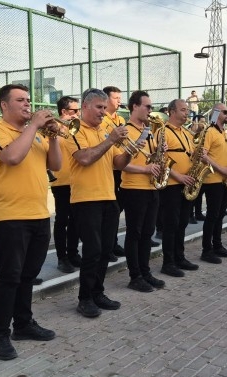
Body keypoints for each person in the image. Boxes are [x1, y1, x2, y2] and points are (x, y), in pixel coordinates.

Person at [0, 84, 62, 360]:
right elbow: (12, 157)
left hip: (39, 214)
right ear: (4, 105)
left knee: (28, 276)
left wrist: (54, 136)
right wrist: (35, 125)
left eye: (28, 100)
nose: (28, 105)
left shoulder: (36, 135)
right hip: (9, 217)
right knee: (9, 277)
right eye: (20, 101)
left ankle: (24, 324)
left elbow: (57, 164)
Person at [65, 88, 132, 318]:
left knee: (105, 250)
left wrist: (132, 150)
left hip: (108, 197)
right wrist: (111, 139)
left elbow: (118, 163)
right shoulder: (73, 130)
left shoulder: (105, 130)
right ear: (84, 107)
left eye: (105, 108)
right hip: (86, 199)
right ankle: (84, 299)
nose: (103, 112)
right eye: (99, 107)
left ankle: (98, 292)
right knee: (92, 250)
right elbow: (84, 158)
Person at [120, 90, 165, 292]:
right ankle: (135, 275)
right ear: (134, 107)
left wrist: (160, 151)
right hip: (133, 189)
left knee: (148, 233)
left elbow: (151, 158)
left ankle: (145, 272)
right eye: (147, 106)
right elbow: (121, 163)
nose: (150, 110)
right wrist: (145, 169)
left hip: (151, 187)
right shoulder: (125, 131)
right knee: (135, 233)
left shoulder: (148, 130)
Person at [158, 98, 199, 277]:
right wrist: (179, 176)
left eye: (187, 110)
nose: (187, 112)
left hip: (187, 183)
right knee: (171, 224)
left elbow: (189, 155)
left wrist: (200, 154)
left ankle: (179, 257)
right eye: (183, 110)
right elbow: (161, 159)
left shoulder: (187, 133)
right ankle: (168, 263)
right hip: (172, 185)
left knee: (182, 223)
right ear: (171, 111)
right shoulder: (162, 131)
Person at [199, 102, 227, 264]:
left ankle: (217, 245)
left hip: (224, 179)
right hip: (213, 179)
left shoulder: (224, 132)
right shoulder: (209, 131)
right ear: (216, 113)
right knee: (212, 216)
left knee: (220, 215)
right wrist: (222, 168)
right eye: (225, 112)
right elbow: (203, 155)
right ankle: (207, 250)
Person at [50, 95, 82, 274]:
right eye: (74, 111)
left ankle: (73, 253)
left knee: (76, 219)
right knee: (63, 220)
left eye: (78, 110)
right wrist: (59, 126)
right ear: (63, 111)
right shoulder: (53, 128)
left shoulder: (76, 128)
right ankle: (62, 258)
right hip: (61, 181)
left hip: (78, 180)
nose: (78, 114)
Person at [101, 86, 127, 262]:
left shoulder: (120, 119)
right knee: (110, 211)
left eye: (120, 97)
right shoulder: (101, 120)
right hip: (107, 168)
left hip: (120, 168)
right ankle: (107, 246)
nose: (119, 101)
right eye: (115, 98)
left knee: (117, 209)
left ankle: (113, 242)